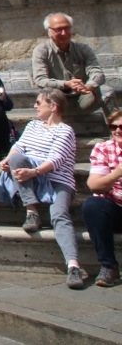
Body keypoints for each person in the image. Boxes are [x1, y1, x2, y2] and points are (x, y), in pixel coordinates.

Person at [0, 88, 84, 289]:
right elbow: (19, 147)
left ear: (53, 106)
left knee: (59, 215)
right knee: (16, 159)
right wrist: (7, 159)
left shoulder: (65, 131)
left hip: (57, 180)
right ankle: (32, 211)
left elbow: (56, 159)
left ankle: (73, 266)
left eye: (39, 102)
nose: (35, 106)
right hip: (32, 177)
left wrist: (34, 172)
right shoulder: (33, 125)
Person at [32, 12, 112, 118]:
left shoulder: (83, 49)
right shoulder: (41, 51)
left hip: (82, 99)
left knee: (107, 91)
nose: (64, 33)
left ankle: (116, 126)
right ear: (49, 31)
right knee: (48, 95)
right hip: (57, 103)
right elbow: (40, 80)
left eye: (67, 28)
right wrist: (66, 84)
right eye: (59, 29)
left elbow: (97, 73)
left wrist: (88, 86)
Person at [83, 110, 122, 287]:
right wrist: (116, 173)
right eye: (113, 127)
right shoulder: (104, 148)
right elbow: (94, 185)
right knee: (92, 205)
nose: (118, 130)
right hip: (115, 208)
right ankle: (109, 267)